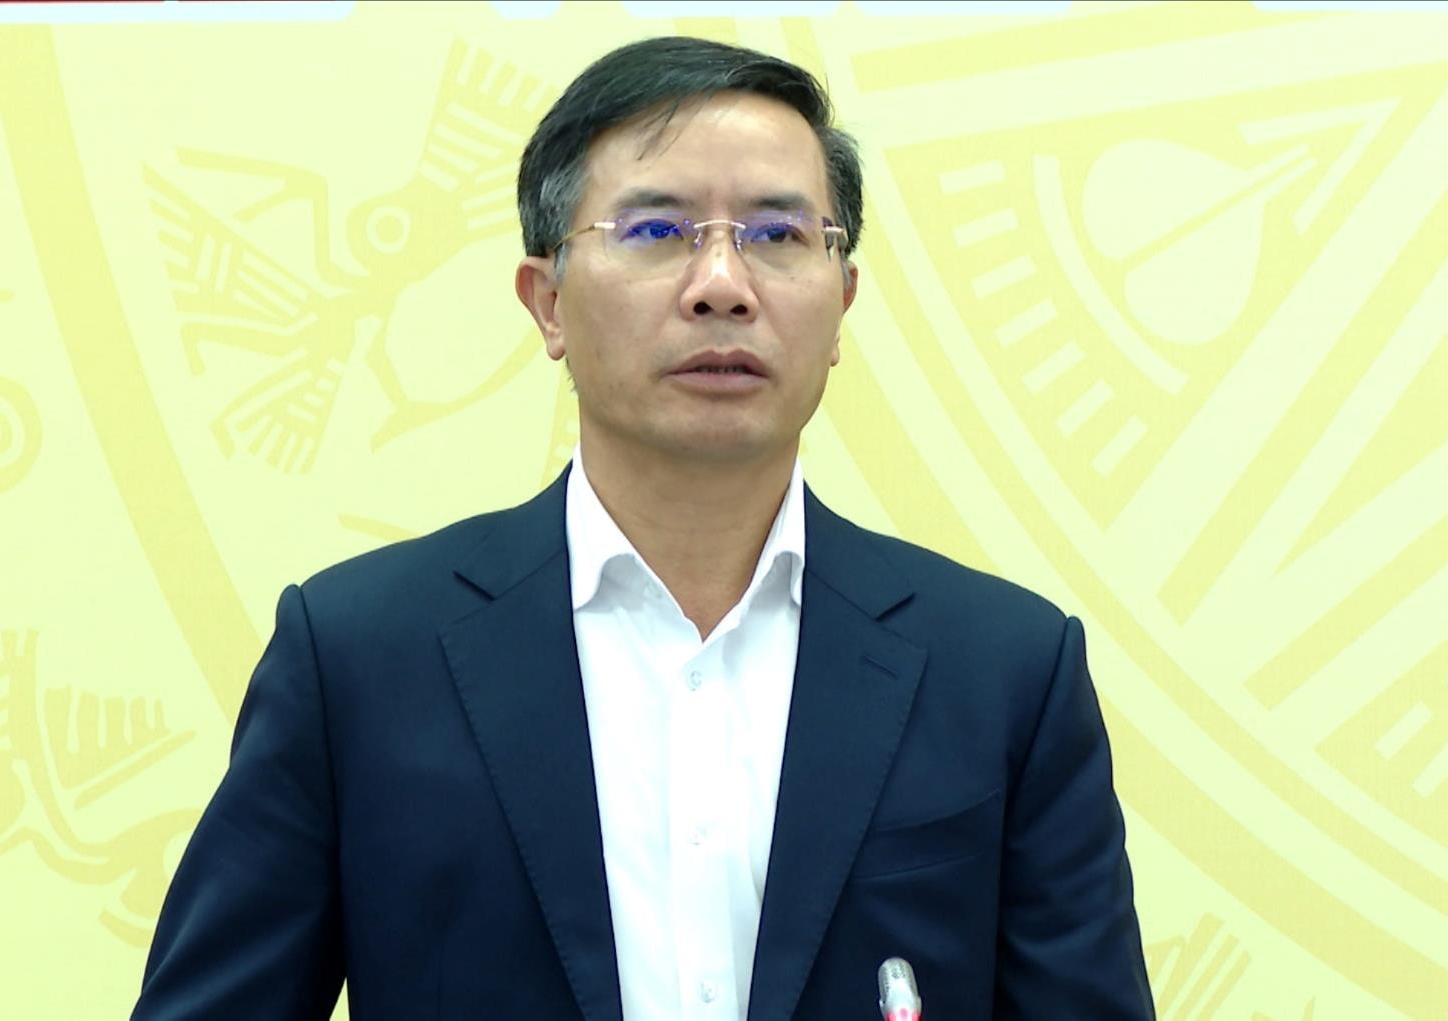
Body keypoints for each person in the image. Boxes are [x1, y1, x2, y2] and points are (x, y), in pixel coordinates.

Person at [133, 36, 1155, 1021]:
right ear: (548, 303)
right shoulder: (359, 658)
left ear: (842, 301)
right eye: (658, 232)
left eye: (778, 236)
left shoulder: (1004, 671)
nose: (722, 286)